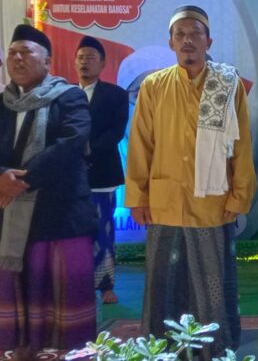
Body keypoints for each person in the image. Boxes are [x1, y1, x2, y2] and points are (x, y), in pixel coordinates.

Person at [126, 5, 257, 358]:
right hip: (164, 200)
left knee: (212, 281)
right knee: (163, 282)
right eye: (180, 34)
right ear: (170, 42)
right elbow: (141, 143)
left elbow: (242, 144)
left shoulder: (226, 84)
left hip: (212, 201)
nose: (187, 40)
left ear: (208, 41)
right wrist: (138, 196)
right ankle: (161, 349)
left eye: (195, 33)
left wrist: (239, 196)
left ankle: (214, 348)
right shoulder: (153, 86)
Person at [0, 25, 96, 359]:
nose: (17, 58)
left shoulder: (69, 97)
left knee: (63, 302)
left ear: (47, 61)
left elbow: (72, 143)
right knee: (18, 296)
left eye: (26, 51)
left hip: (61, 215)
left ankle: (64, 351)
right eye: (12, 52)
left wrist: (19, 181)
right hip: (12, 218)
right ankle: (22, 349)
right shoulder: (2, 103)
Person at [75, 36, 129, 305]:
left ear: (103, 63)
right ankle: (78, 283)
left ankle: (106, 285)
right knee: (75, 233)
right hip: (72, 177)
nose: (85, 62)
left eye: (91, 57)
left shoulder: (116, 94)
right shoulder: (65, 94)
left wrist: (87, 151)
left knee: (104, 231)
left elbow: (116, 132)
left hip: (103, 174)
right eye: (81, 57)